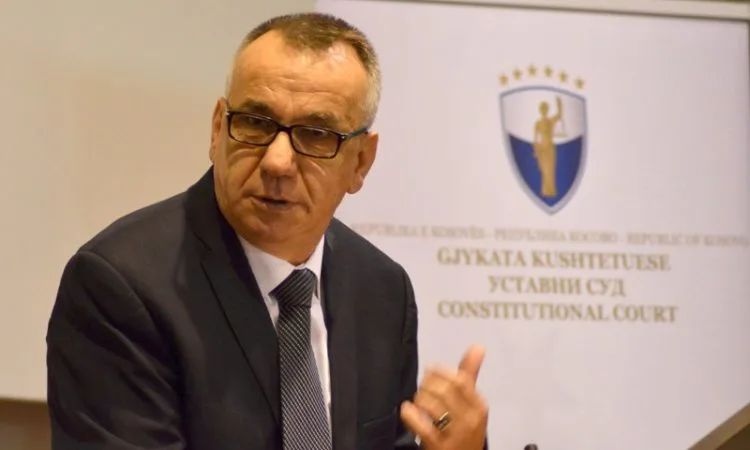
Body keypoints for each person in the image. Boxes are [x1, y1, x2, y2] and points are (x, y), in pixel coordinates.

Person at [46, 12, 489, 450]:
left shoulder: (382, 291)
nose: (277, 162)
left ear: (360, 162)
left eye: (316, 134)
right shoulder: (121, 287)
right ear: (218, 129)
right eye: (255, 123)